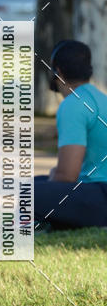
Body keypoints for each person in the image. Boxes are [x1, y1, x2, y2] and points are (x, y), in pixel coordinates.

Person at [35, 39, 107, 229]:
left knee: (28, 192)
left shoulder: (73, 105)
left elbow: (67, 175)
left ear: (57, 72)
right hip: (98, 188)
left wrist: (54, 177)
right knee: (37, 182)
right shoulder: (100, 98)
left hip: (100, 194)